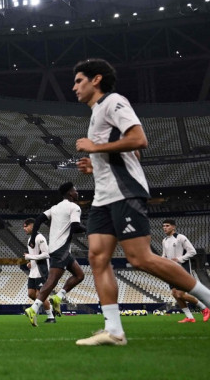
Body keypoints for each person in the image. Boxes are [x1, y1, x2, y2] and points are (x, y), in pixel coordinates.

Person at [72, 58, 210, 345]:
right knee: (97, 257)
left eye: (79, 81)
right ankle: (114, 331)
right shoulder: (97, 112)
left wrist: (96, 148)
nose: (74, 87)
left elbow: (139, 141)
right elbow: (127, 155)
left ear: (96, 80)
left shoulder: (113, 101)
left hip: (126, 192)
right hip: (103, 197)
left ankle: (207, 298)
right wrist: (95, 163)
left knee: (140, 258)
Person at [23, 182, 86, 326]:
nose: (77, 192)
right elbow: (76, 226)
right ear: (70, 193)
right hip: (61, 249)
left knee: (80, 275)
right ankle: (34, 308)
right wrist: (88, 230)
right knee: (52, 281)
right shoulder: (74, 207)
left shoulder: (55, 208)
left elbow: (38, 219)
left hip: (60, 250)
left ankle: (58, 297)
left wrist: (32, 238)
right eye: (75, 190)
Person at [161, 219, 210, 323]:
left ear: (173, 227)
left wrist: (179, 259)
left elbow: (192, 251)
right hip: (170, 269)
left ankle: (204, 308)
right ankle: (190, 317)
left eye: (167, 226)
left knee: (179, 294)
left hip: (182, 268)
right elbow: (164, 255)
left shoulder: (180, 237)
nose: (165, 227)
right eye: (164, 226)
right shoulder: (164, 240)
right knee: (175, 294)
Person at [22, 218, 55, 324]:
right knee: (31, 294)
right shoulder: (29, 239)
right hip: (33, 272)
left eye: (26, 226)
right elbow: (36, 255)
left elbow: (46, 254)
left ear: (32, 226)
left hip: (42, 271)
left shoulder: (40, 238)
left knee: (40, 295)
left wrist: (30, 257)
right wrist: (31, 262)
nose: (24, 228)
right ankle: (45, 306)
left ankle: (51, 317)